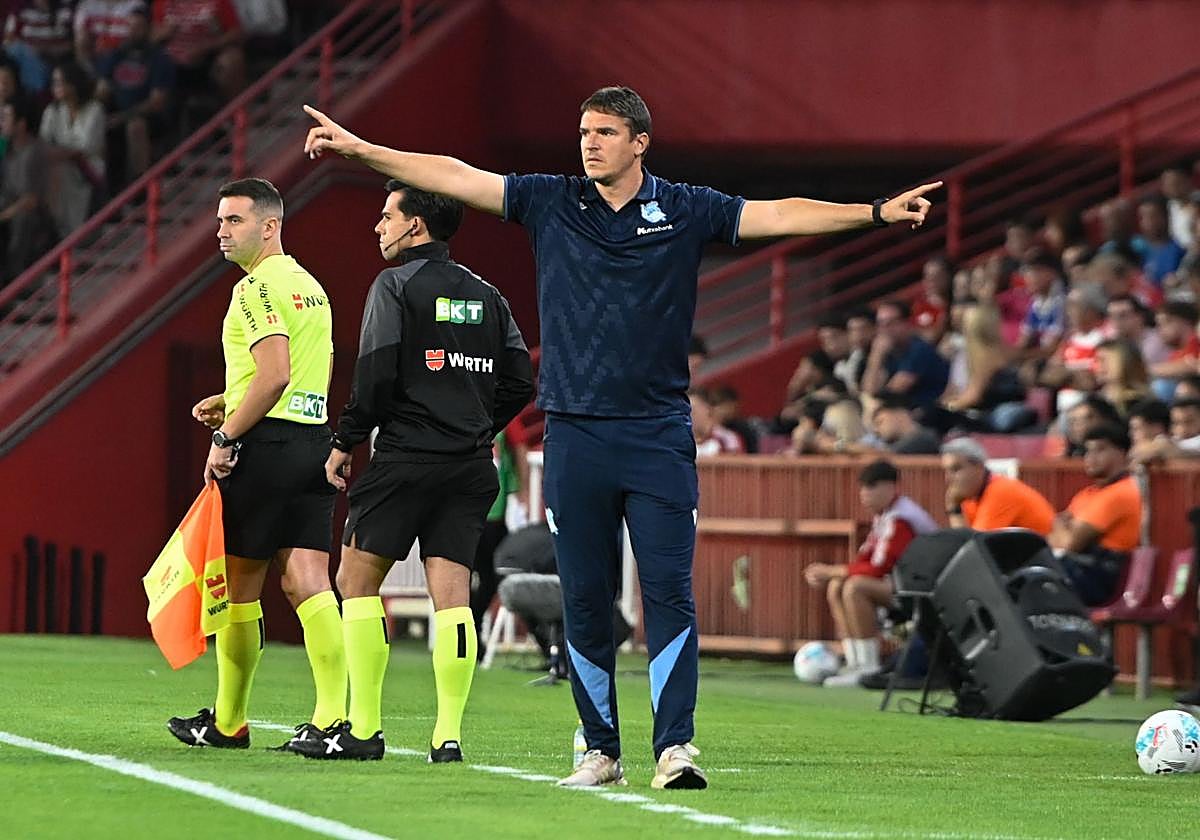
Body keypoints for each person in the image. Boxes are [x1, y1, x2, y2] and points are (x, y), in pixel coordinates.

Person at [302, 85, 939, 788]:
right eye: (583, 132)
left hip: (658, 434)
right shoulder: (552, 201)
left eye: (605, 132)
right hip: (575, 434)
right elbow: (455, 175)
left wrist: (875, 212)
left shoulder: (688, 207)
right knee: (585, 596)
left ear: (640, 141)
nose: (589, 143)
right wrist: (361, 150)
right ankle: (599, 750)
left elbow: (779, 213)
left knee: (670, 592)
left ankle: (674, 749)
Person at [300, 180, 533, 762]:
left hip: (404, 459)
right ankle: (447, 736)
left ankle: (362, 730)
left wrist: (346, 439)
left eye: (386, 216)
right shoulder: (487, 293)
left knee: (355, 583)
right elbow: (521, 382)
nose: (378, 226)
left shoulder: (394, 286)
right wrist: (477, 424)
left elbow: (375, 376)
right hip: (470, 466)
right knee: (452, 596)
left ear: (415, 226)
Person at [166, 178, 346, 751]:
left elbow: (275, 374)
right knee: (310, 582)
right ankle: (333, 720)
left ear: (269, 226)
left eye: (234, 220)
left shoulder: (255, 290)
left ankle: (228, 720)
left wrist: (226, 433)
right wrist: (231, 396)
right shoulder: (310, 287)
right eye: (220, 220)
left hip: (263, 451)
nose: (221, 231)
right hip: (312, 446)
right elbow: (294, 376)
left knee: (240, 591)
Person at [802, 459, 936, 687]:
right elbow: (867, 559)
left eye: (872, 486)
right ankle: (855, 661)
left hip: (921, 589)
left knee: (855, 587)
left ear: (892, 487)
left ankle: (869, 666)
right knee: (837, 585)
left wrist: (833, 570)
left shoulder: (901, 518)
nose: (865, 493)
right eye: (863, 487)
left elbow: (879, 567)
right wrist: (836, 574)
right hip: (899, 584)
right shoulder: (884, 516)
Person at [1048, 424, 1142, 607]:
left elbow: (1070, 543)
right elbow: (1054, 539)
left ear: (1123, 453)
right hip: (1082, 566)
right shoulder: (1087, 493)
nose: (1090, 458)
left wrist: (1060, 524)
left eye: (1100, 450)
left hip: (1106, 575)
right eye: (1087, 451)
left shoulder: (1121, 492)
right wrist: (1063, 529)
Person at [95, 5, 176, 184]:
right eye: (130, 27)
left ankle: (141, 186)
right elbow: (102, 89)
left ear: (148, 29)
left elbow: (156, 102)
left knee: (135, 126)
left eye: (138, 27)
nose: (133, 32)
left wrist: (121, 118)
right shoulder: (117, 54)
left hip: (150, 117)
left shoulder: (159, 58)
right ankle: (101, 185)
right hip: (117, 112)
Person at [40, 61, 106, 235]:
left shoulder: (95, 109)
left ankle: (66, 230)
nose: (55, 87)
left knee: (59, 169)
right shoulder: (52, 110)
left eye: (59, 82)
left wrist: (59, 152)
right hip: (60, 162)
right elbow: (44, 142)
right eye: (54, 82)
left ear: (73, 84)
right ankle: (53, 226)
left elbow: (85, 148)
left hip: (88, 167)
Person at [941, 437, 1054, 534]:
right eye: (946, 471)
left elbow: (976, 549)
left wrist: (954, 509)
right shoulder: (970, 497)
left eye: (956, 469)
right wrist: (955, 508)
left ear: (979, 467)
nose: (948, 479)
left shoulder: (1001, 491)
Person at [862, 300, 950, 413]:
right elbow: (869, 392)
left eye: (890, 323)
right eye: (880, 324)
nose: (885, 330)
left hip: (934, 412)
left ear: (906, 323)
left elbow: (892, 393)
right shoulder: (889, 354)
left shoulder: (919, 349)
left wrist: (877, 356)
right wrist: (876, 357)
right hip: (909, 413)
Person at [0, 98, 49, 285]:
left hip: (32, 215)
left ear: (21, 124)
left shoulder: (35, 151)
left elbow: (31, 200)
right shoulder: (7, 149)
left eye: (5, 118)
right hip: (8, 207)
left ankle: (15, 279)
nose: (1, 123)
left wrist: (3, 216)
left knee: (23, 218)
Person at [1149, 300, 1200, 402]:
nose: (1160, 329)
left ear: (1185, 322)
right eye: (1158, 325)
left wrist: (1141, 370)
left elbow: (1191, 366)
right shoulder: (1176, 353)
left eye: (1166, 322)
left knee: (1161, 387)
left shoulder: (1196, 342)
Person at [1130, 398, 1200, 464]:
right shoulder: (1169, 441)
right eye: (1176, 423)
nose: (1182, 429)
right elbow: (1135, 451)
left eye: (1189, 421)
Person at [870, 396, 941, 454]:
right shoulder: (895, 445)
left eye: (880, 422)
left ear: (899, 415)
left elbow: (888, 454)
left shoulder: (925, 437)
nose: (876, 430)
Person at [690, 387, 743, 457]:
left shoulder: (728, 439)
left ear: (708, 409)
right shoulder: (678, 441)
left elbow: (738, 465)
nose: (689, 415)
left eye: (694, 410)